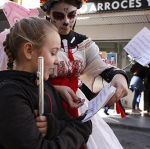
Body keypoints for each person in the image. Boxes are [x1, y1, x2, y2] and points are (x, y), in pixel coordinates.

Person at [40, 0, 129, 148]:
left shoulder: (83, 43)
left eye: (71, 15)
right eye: (59, 16)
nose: (66, 22)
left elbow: (101, 65)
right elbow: (24, 75)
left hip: (76, 105)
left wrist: (119, 77)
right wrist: (55, 90)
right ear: (48, 13)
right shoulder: (36, 39)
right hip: (42, 104)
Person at [0, 17, 92, 149]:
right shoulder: (9, 95)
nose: (57, 61)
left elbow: (67, 121)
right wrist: (81, 130)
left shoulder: (46, 86)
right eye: (53, 53)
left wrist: (53, 126)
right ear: (29, 51)